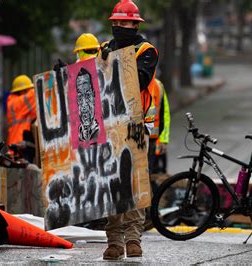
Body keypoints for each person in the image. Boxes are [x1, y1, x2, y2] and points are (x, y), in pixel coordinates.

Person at [100, 0, 159, 260]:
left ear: (135, 25)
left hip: (135, 126)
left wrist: (115, 58)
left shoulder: (146, 51)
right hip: (110, 127)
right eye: (116, 23)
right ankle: (114, 240)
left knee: (134, 184)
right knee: (113, 184)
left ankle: (133, 238)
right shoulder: (104, 49)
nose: (118, 27)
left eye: (123, 23)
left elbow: (140, 79)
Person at [6, 75, 37, 162]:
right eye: (28, 89)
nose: (30, 91)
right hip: (20, 146)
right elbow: (36, 93)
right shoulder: (19, 102)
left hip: (19, 145)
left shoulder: (15, 103)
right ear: (21, 91)